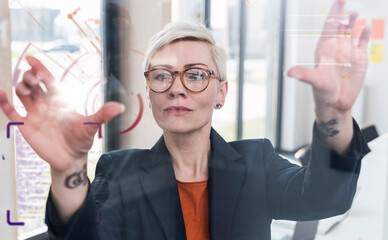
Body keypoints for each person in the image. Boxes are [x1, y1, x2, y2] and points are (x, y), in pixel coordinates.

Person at [0, 0, 371, 239]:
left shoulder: (257, 161)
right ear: (150, 92)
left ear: (220, 93)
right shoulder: (119, 169)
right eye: (162, 75)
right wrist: (68, 171)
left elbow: (325, 198)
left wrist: (334, 113)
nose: (177, 88)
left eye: (195, 74)